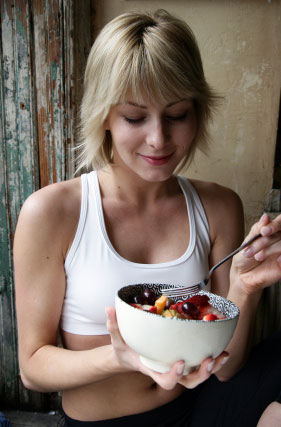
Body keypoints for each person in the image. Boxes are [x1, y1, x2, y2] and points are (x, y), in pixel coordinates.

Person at [14, 9, 281, 427]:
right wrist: (122, 357)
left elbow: (227, 368)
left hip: (199, 408)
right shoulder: (52, 213)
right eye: (135, 117)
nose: (158, 139)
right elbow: (32, 367)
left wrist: (244, 290)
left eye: (177, 115)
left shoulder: (218, 205)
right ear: (104, 115)